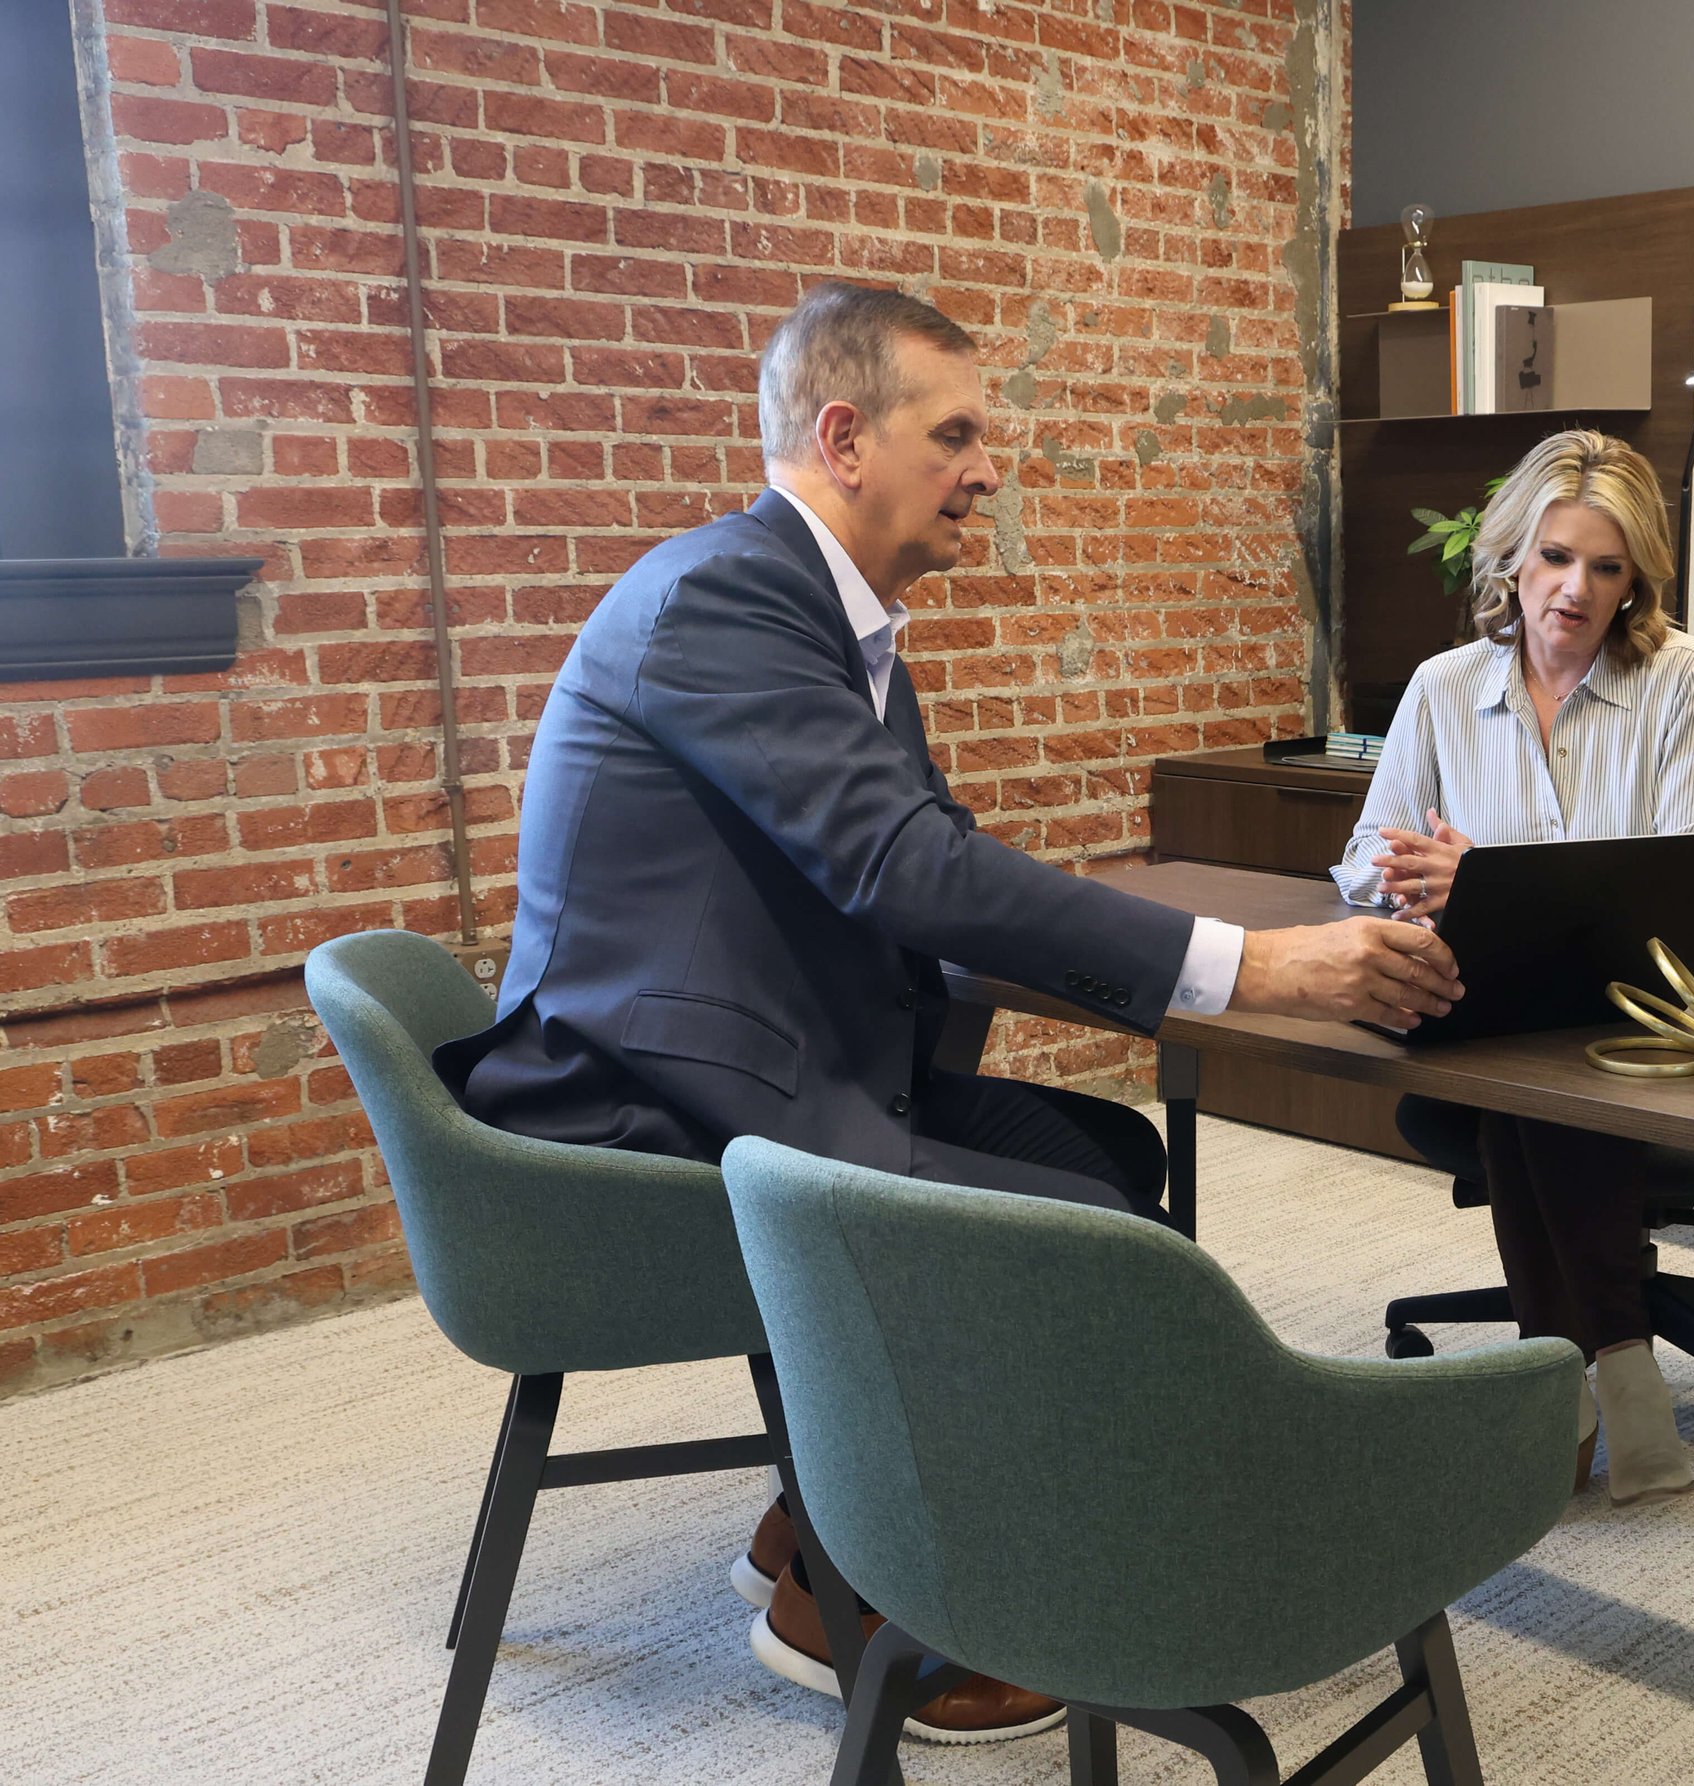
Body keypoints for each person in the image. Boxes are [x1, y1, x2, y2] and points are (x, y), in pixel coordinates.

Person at [436, 281, 1464, 1742]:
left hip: (735, 1062)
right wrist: (1256, 965)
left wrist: (1171, 970)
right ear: (844, 436)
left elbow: (920, 878)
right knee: (1089, 1245)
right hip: (637, 1109)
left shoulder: (835, 620)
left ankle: (821, 1522)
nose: (991, 468)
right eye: (960, 432)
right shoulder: (729, 595)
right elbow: (906, 868)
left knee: (1115, 1160)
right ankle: (865, 1601)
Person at [1328, 429, 1694, 1507]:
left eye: (1607, 568)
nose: (1575, 590)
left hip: (1659, 1010)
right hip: (1494, 1007)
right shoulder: (1442, 686)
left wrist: (1489, 881)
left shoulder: (1686, 681)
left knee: (1532, 1070)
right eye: (1555, 557)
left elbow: (1675, 891)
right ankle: (1620, 1369)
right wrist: (1419, 889)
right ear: (1511, 557)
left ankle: (1560, 1386)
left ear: (1635, 578)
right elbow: (1364, 869)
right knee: (1518, 1042)